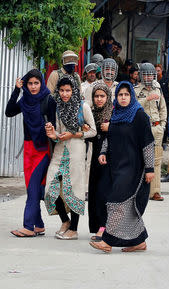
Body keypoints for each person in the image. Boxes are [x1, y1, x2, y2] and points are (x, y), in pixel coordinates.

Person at [90, 81, 154, 253]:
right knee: (125, 204)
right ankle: (139, 241)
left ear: (131, 96)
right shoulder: (116, 113)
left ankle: (107, 241)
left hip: (134, 167)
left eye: (126, 94)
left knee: (115, 200)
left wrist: (150, 169)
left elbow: (148, 143)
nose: (123, 98)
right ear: (116, 97)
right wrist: (103, 152)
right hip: (116, 165)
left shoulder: (139, 115)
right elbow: (109, 137)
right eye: (120, 95)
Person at [44, 75, 97, 240]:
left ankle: (73, 229)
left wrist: (74, 134)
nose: (65, 94)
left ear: (74, 90)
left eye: (68, 90)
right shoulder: (58, 107)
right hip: (60, 151)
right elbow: (59, 134)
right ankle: (65, 221)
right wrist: (53, 135)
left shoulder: (83, 107)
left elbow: (93, 131)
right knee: (50, 188)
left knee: (74, 189)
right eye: (61, 90)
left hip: (77, 151)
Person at [6, 69, 56, 237]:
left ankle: (28, 226)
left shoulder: (48, 100)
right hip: (28, 149)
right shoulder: (25, 99)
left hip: (42, 150)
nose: (33, 87)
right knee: (31, 187)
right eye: (30, 83)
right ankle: (39, 225)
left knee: (34, 186)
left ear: (41, 83)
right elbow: (9, 111)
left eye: (36, 83)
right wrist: (16, 90)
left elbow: (54, 126)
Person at [134, 63, 167, 201]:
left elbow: (163, 108)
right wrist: (146, 99)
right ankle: (139, 191)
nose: (148, 77)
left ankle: (155, 191)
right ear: (141, 75)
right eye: (146, 74)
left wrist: (163, 125)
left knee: (157, 160)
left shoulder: (158, 89)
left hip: (157, 127)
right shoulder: (135, 90)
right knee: (140, 159)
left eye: (151, 75)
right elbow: (133, 107)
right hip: (142, 129)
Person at [87, 83, 113, 242]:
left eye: (102, 96)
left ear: (108, 97)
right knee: (95, 192)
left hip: (109, 158)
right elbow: (92, 135)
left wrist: (111, 128)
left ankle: (105, 227)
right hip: (95, 156)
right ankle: (98, 226)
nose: (99, 99)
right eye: (96, 96)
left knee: (105, 192)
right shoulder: (91, 112)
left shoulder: (114, 113)